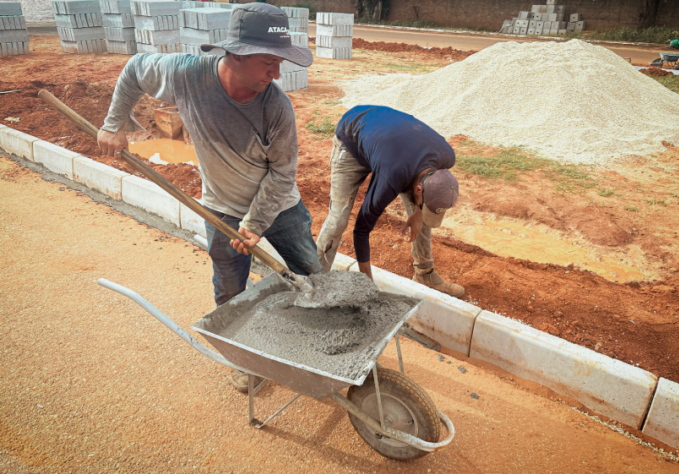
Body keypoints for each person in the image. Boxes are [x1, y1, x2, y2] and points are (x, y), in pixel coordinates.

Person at [97, 3, 321, 392]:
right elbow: (135, 69)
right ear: (235, 54)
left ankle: (319, 345)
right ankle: (242, 355)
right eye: (269, 61)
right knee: (229, 287)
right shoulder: (186, 75)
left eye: (280, 62)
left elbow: (282, 174)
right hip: (221, 207)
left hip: (279, 208)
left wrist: (253, 224)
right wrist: (112, 125)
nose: (277, 72)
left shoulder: (277, 107)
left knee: (311, 277)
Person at [316, 105, 465, 298]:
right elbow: (361, 229)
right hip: (353, 136)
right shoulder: (392, 176)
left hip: (391, 147)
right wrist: (367, 281)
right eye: (422, 201)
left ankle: (424, 274)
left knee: (422, 213)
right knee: (339, 219)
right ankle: (314, 282)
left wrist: (419, 213)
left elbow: (424, 194)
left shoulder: (446, 158)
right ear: (418, 188)